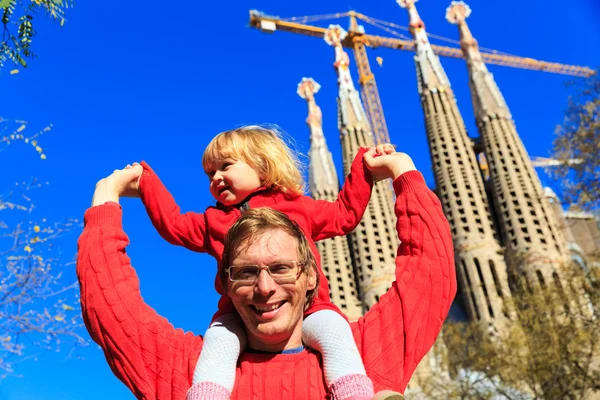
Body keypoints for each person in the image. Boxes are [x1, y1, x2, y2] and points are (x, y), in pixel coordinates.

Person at [77, 149, 456, 400]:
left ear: (311, 276)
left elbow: (430, 271)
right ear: (225, 283)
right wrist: (107, 198)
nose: (264, 287)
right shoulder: (192, 373)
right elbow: (110, 307)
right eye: (244, 272)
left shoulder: (366, 355)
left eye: (280, 268)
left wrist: (401, 174)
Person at [135, 126, 379, 399]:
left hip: (309, 309)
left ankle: (353, 394)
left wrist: (364, 167)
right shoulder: (213, 220)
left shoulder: (296, 205)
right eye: (209, 173)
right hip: (239, 317)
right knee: (218, 342)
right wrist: (147, 183)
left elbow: (344, 213)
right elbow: (174, 225)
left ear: (262, 165)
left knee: (335, 332)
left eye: (225, 166)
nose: (216, 178)